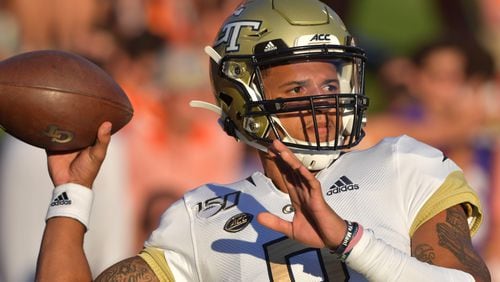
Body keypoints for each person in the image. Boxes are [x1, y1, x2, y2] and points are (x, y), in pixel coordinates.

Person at [35, 0, 491, 281]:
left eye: (330, 87)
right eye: (298, 90)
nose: (324, 103)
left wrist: (349, 242)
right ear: (241, 100)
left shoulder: (405, 164)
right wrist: (70, 194)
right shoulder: (201, 215)